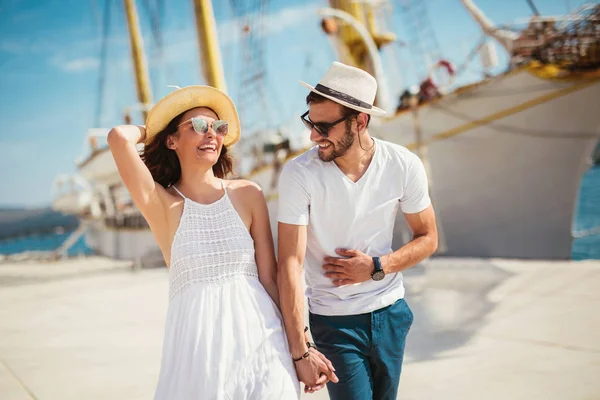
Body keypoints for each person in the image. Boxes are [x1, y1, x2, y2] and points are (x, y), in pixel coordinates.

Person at [107, 85, 301, 399]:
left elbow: (269, 278)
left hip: (264, 345)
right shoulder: (163, 205)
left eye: (218, 127)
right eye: (198, 126)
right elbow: (118, 137)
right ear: (172, 140)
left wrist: (300, 350)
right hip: (200, 358)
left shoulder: (248, 194)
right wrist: (154, 128)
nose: (211, 134)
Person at [276, 62, 439, 400]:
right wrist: (300, 349)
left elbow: (428, 237)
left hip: (391, 314)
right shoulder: (299, 175)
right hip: (333, 321)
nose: (313, 135)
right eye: (310, 123)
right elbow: (290, 263)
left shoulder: (402, 164)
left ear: (360, 121)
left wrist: (378, 266)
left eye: (323, 126)